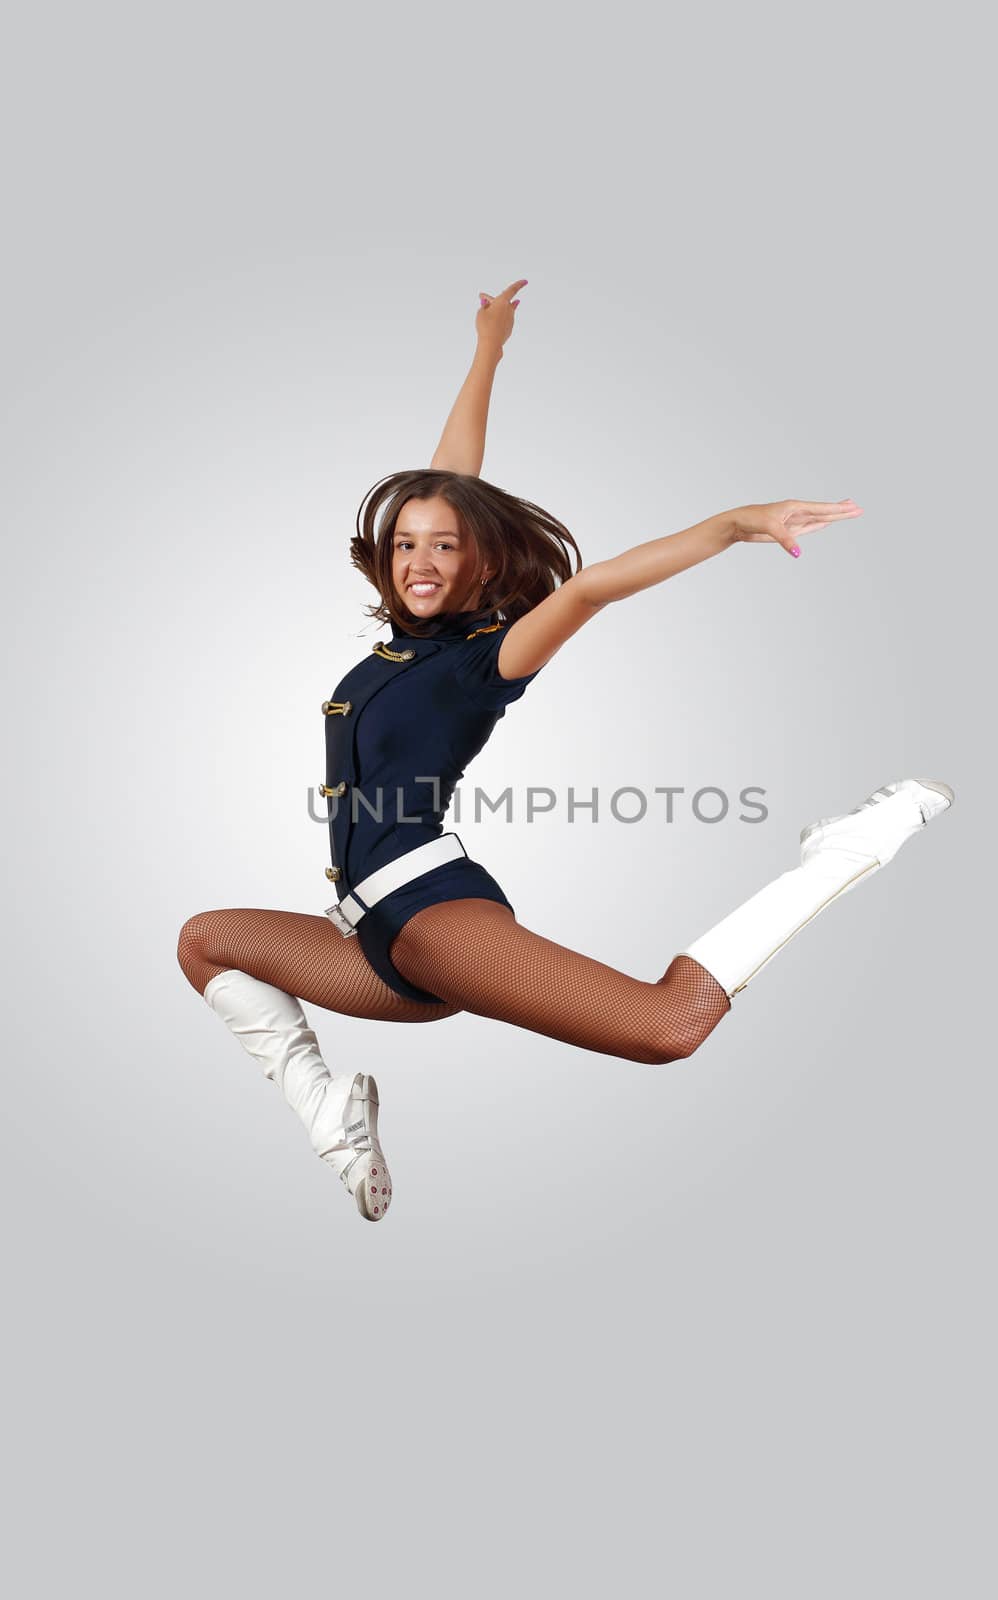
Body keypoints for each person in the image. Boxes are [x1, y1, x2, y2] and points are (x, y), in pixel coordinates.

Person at [177, 278, 954, 1222]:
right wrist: (486, 351)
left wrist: (730, 526)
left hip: (433, 919)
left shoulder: (479, 661)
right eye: (405, 544)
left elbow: (586, 593)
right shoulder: (404, 643)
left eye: (446, 548)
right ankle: (337, 1121)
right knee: (207, 942)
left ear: (482, 564)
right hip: (367, 941)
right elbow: (450, 479)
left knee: (667, 1025)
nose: (421, 559)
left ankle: (851, 845)